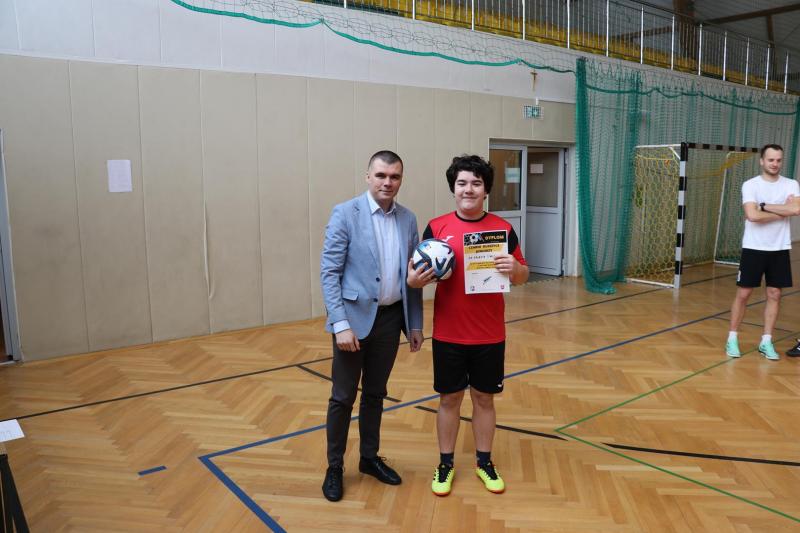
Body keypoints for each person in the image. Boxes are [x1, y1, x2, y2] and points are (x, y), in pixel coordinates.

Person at [407, 154, 528, 497]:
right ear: (453, 188)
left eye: (476, 183)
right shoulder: (436, 227)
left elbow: (523, 274)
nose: (469, 189)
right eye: (462, 183)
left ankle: (484, 462)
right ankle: (445, 463)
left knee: (484, 399)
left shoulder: (502, 229)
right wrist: (414, 281)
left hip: (489, 334)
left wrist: (515, 269)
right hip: (449, 333)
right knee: (449, 400)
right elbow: (414, 277)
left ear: (486, 190)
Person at [320, 150, 424, 502]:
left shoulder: (408, 219)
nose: (387, 182)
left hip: (391, 320)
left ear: (401, 180)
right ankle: (335, 467)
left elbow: (412, 276)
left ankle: (368, 458)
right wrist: (340, 323)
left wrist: (414, 323)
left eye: (394, 177)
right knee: (342, 397)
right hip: (352, 322)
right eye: (381, 175)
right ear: (368, 176)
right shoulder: (345, 213)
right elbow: (329, 273)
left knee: (376, 394)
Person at [726, 144, 800, 360]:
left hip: (779, 248)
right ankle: (732, 338)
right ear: (762, 161)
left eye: (778, 160)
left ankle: (766, 342)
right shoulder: (750, 185)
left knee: (775, 294)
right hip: (754, 247)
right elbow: (752, 216)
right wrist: (783, 211)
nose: (775, 164)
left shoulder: (791, 184)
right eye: (771, 160)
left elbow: (796, 209)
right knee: (744, 294)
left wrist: (765, 206)